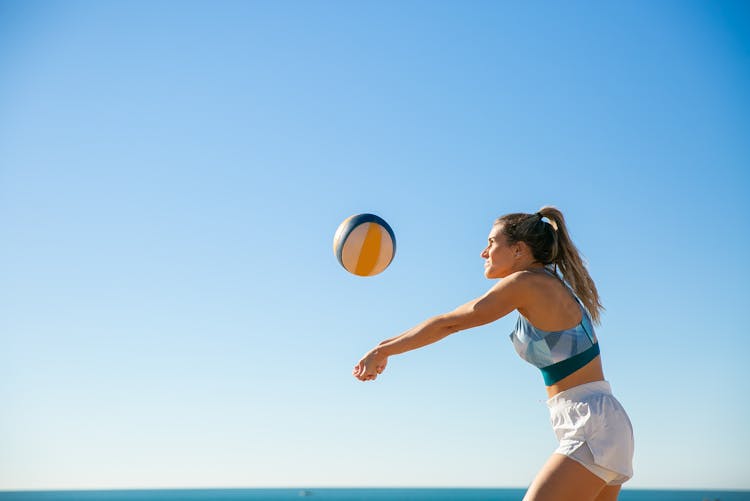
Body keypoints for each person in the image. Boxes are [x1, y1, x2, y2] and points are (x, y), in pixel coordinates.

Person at [353, 207, 634, 501]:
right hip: (599, 421)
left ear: (518, 250)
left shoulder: (527, 283)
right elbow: (450, 319)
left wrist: (383, 351)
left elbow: (451, 322)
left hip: (591, 423)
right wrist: (382, 348)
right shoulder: (543, 283)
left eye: (491, 242)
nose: (483, 252)